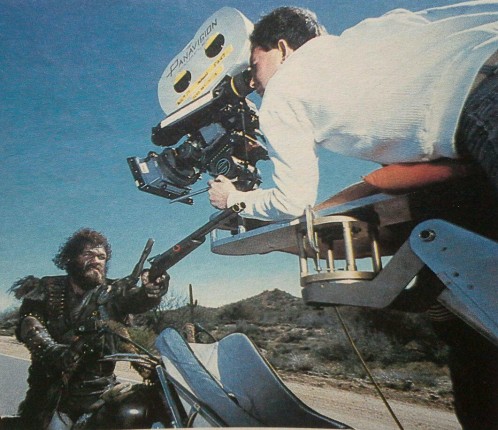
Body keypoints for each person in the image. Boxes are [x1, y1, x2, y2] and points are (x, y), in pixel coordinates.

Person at [207, 4, 498, 429]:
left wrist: (235, 198)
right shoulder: (378, 30)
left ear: (283, 49)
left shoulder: (285, 87)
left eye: (254, 66)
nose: (253, 84)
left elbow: (292, 200)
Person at [8, 228, 170, 429]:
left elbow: (136, 299)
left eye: (101, 257)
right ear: (70, 258)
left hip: (100, 392)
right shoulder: (46, 288)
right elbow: (29, 323)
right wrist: (56, 352)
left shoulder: (113, 292)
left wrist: (151, 291)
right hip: (52, 394)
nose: (96, 261)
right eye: (88, 254)